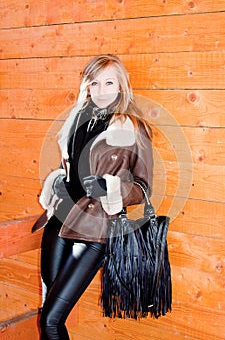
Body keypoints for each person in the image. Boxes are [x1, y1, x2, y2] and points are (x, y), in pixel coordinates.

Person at [37, 54, 153, 339]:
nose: (101, 90)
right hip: (60, 221)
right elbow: (70, 168)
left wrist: (112, 189)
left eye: (109, 82)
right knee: (51, 309)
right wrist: (58, 182)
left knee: (51, 320)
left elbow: (143, 187)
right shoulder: (77, 119)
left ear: (122, 85)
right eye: (94, 83)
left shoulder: (132, 127)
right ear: (86, 86)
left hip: (96, 230)